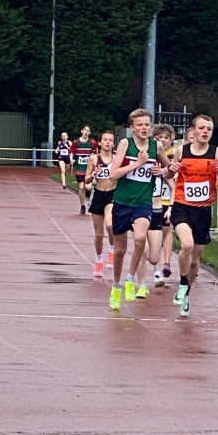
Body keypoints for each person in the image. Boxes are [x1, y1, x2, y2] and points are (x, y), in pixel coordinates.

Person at [167, 114, 218, 317]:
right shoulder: (181, 151)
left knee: (195, 260)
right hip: (182, 207)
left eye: (209, 129)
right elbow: (169, 175)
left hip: (203, 211)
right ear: (193, 131)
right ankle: (182, 285)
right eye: (202, 128)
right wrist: (171, 168)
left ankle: (186, 291)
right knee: (186, 245)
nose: (205, 132)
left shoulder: (216, 152)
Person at [108, 109, 173, 310]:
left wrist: (161, 170)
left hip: (144, 202)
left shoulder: (156, 146)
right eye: (140, 125)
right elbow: (113, 174)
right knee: (119, 250)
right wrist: (137, 163)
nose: (144, 128)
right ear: (132, 128)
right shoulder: (126, 144)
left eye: (147, 124)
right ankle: (117, 285)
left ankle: (130, 278)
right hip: (122, 201)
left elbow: (169, 170)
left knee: (139, 239)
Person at [84, 131, 116, 278]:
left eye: (110, 140)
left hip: (112, 194)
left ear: (113, 143)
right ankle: (98, 259)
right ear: (100, 142)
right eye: (105, 140)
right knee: (98, 234)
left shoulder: (117, 159)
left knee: (110, 225)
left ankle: (111, 249)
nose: (108, 142)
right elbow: (87, 180)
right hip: (98, 194)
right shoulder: (93, 158)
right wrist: (94, 174)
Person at [152, 123, 176, 282]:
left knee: (167, 232)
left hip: (170, 198)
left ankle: (166, 263)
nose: (162, 140)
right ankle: (157, 269)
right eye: (159, 138)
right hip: (153, 200)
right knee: (154, 235)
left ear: (171, 139)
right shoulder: (151, 152)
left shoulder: (176, 153)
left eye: (165, 138)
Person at [70, 125, 98, 214]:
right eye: (85, 130)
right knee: (81, 187)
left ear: (89, 133)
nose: (86, 132)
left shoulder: (92, 143)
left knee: (88, 187)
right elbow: (72, 152)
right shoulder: (76, 142)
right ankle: (82, 206)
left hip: (88, 170)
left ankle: (89, 192)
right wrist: (71, 159)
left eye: (88, 131)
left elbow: (96, 152)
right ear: (81, 131)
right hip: (79, 169)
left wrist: (96, 162)